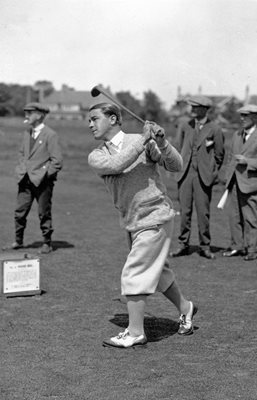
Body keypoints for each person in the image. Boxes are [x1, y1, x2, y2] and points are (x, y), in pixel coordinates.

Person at [87, 102, 197, 349]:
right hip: (132, 222)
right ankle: (186, 308)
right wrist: (144, 140)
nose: (90, 124)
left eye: (95, 118)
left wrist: (162, 142)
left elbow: (176, 165)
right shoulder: (97, 155)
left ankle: (136, 331)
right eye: (89, 121)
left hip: (155, 216)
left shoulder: (144, 141)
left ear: (114, 119)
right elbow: (118, 165)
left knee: (135, 272)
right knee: (159, 274)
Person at [170, 95, 225, 260]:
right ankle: (183, 245)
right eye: (191, 106)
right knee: (185, 212)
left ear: (205, 109)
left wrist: (211, 172)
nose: (192, 110)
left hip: (203, 177)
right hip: (185, 175)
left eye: (196, 107)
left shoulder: (215, 128)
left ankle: (205, 246)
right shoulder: (185, 125)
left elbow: (220, 155)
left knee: (203, 213)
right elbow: (178, 148)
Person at [3, 102, 63, 254]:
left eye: (30, 112)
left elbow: (57, 161)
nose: (26, 115)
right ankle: (18, 241)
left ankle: (47, 243)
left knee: (44, 213)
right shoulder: (26, 133)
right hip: (25, 180)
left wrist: (45, 175)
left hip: (43, 182)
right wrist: (21, 169)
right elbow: (22, 154)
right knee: (19, 212)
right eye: (26, 112)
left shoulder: (51, 134)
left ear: (40, 115)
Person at [222, 104, 257, 261]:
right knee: (234, 217)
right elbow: (230, 157)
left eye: (246, 116)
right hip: (234, 182)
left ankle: (252, 249)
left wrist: (247, 161)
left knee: (251, 218)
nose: (242, 118)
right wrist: (227, 176)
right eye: (241, 115)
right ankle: (237, 246)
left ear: (255, 117)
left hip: (251, 184)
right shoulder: (236, 135)